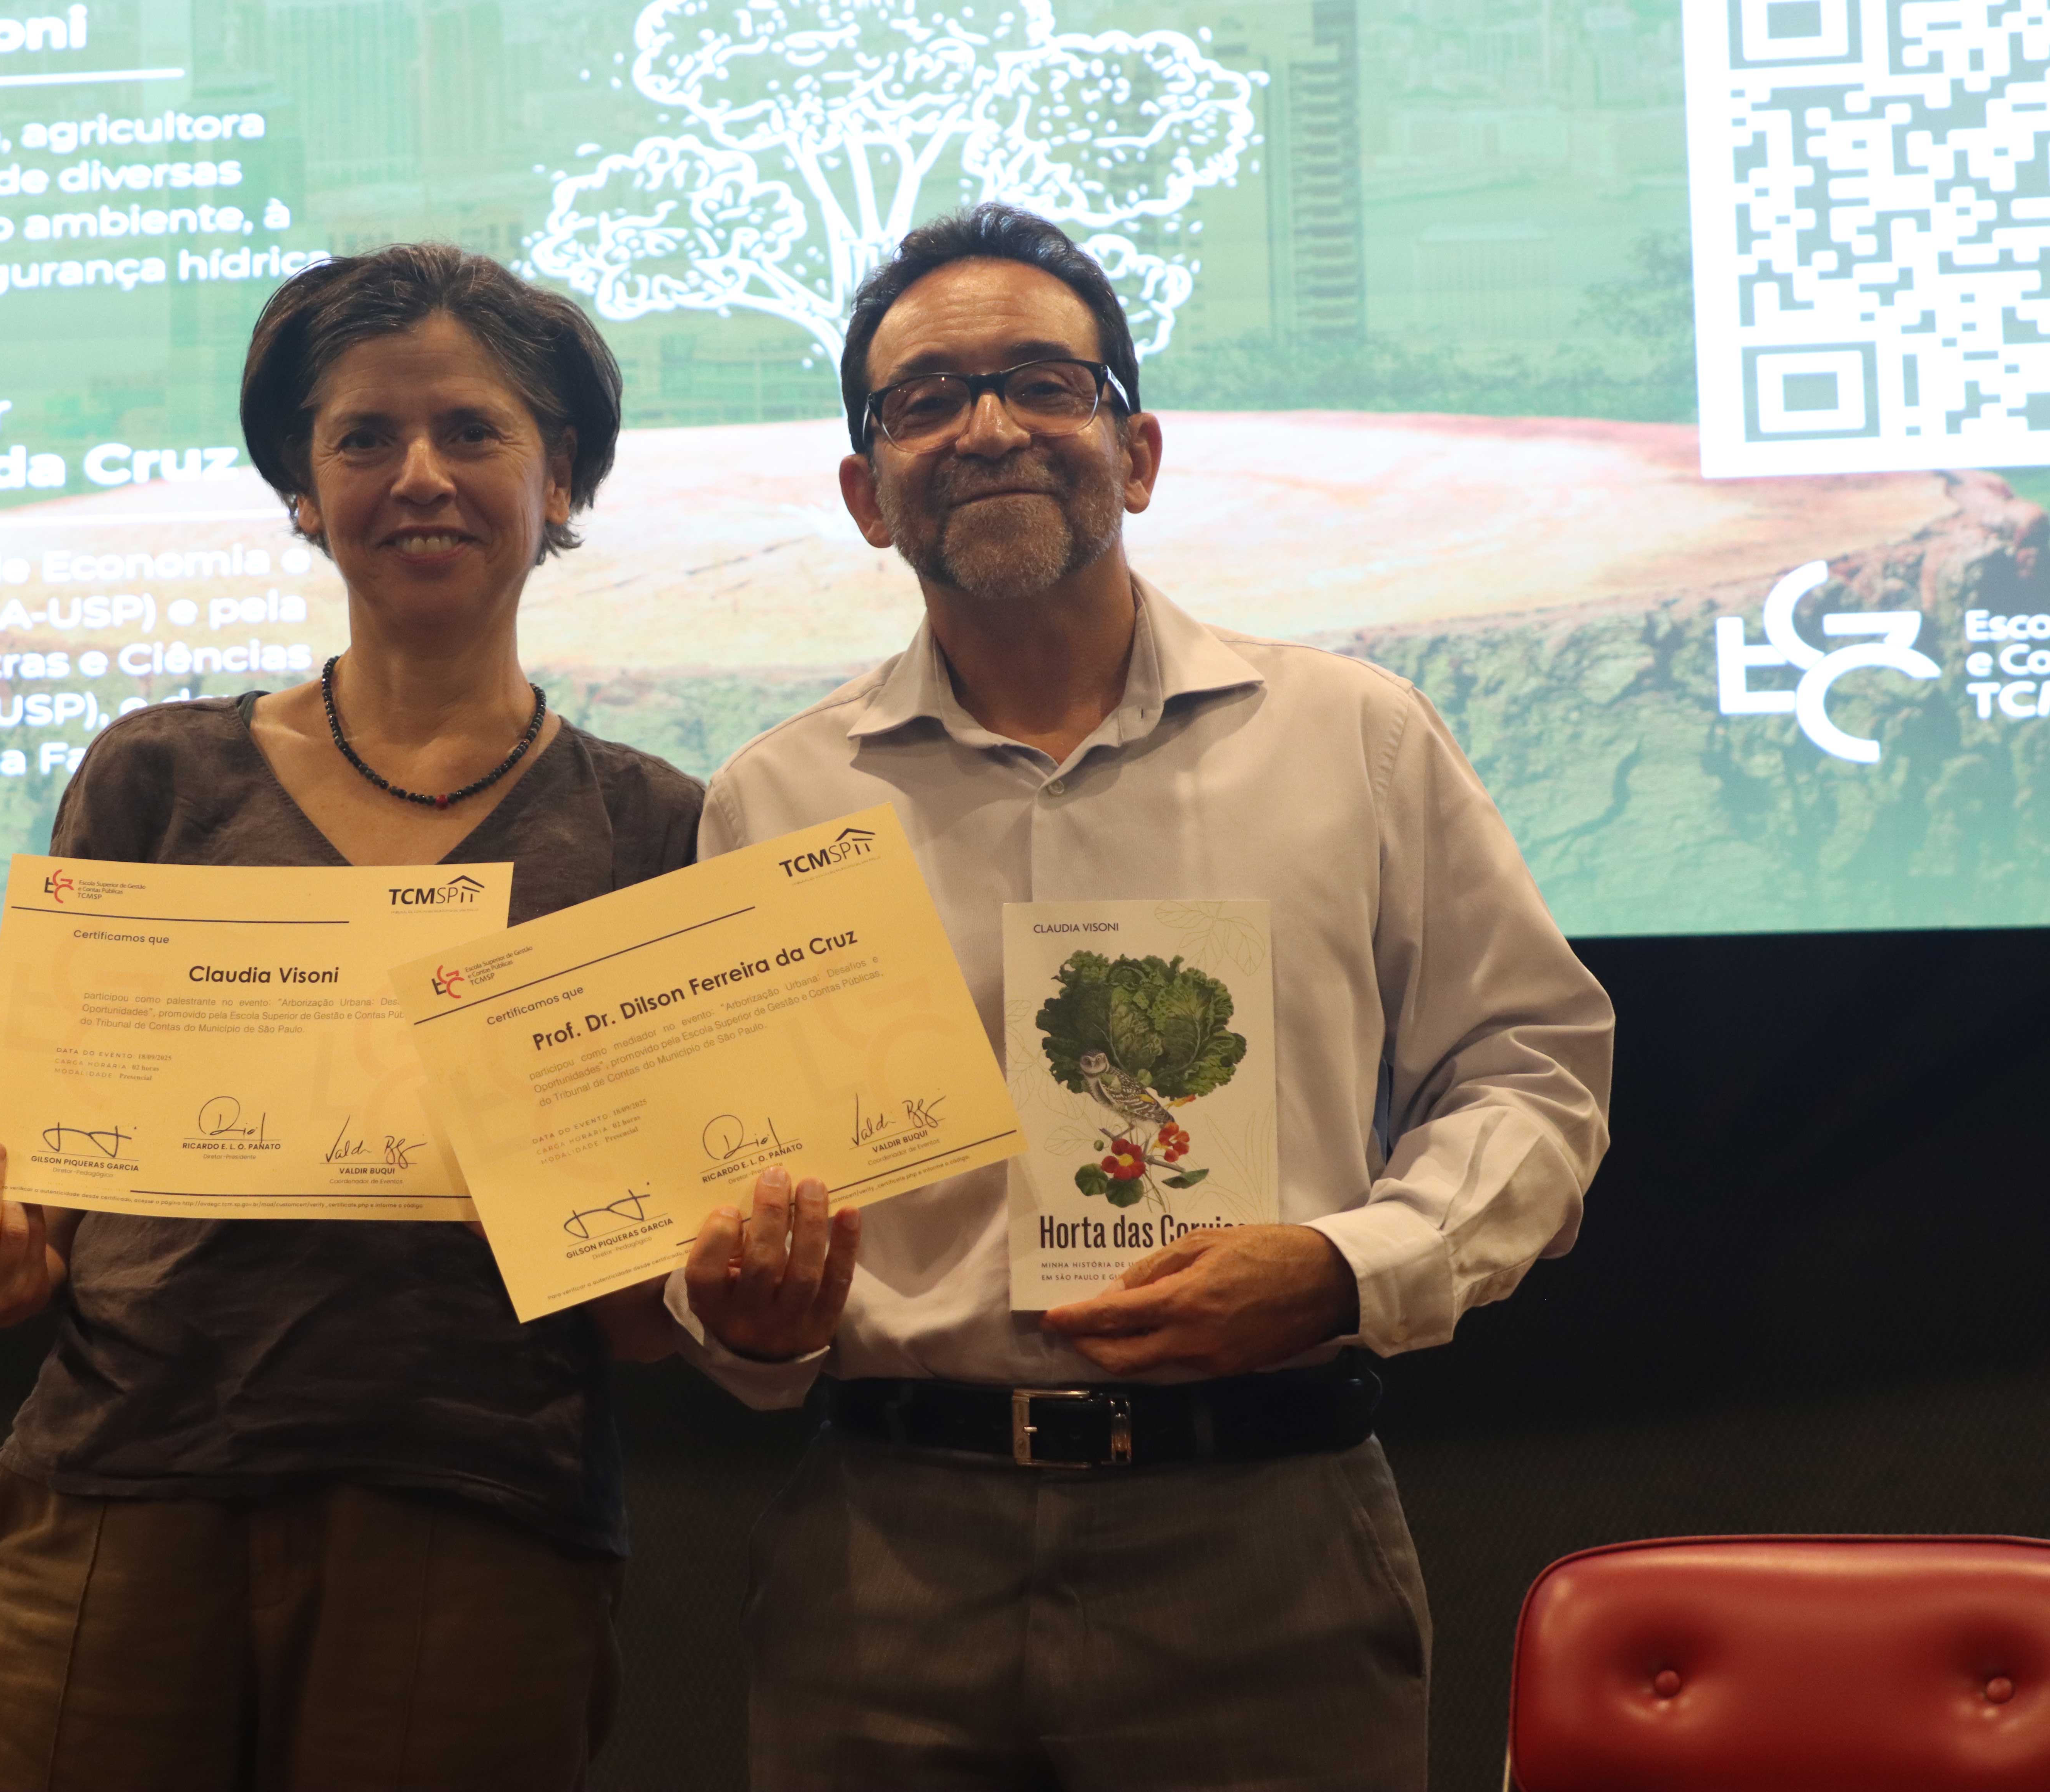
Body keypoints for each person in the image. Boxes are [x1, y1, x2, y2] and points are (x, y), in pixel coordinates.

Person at [672, 204, 1616, 1790]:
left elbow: (1533, 1072)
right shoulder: (776, 800)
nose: (989, 428)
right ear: (866, 492)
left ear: (1139, 451)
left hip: (1270, 1540)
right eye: (926, 400)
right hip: (888, 1563)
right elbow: (724, 1187)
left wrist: (1346, 1264)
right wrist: (746, 1324)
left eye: (1046, 383)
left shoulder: (1356, 739)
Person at [0, 243, 698, 1792]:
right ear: (300, 487)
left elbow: (637, 1312)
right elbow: (40, 1207)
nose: (421, 476)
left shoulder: (649, 827)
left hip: (481, 1506)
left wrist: (720, 1280)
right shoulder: (154, 779)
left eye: (472, 431)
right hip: (122, 1491)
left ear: (560, 479)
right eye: (363, 437)